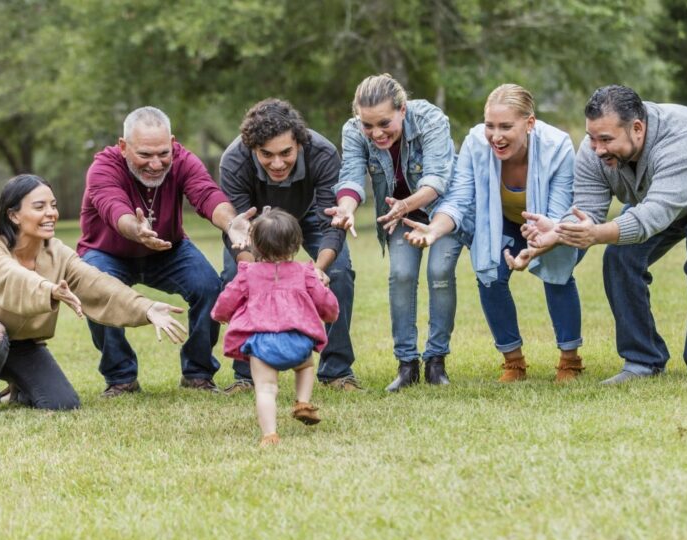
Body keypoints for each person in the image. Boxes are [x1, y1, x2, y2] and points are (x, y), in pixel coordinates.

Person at [524, 85, 687, 384]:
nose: (598, 148)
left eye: (606, 139)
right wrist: (558, 230)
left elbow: (655, 214)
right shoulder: (594, 151)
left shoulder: (682, 139)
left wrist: (597, 234)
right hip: (660, 196)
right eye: (592, 138)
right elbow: (588, 210)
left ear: (637, 128)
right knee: (619, 257)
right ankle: (642, 360)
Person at [0, 175, 187, 417]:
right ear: (13, 215)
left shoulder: (57, 252)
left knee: (63, 403)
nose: (51, 213)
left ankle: (19, 388)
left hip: (21, 347)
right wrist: (48, 289)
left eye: (53, 205)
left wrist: (145, 307)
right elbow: (13, 276)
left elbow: (96, 283)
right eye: (39, 207)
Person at [403, 84, 585, 382]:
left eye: (505, 126)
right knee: (489, 274)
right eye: (490, 125)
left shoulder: (558, 146)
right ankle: (513, 362)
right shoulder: (476, 143)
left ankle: (570, 359)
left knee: (558, 271)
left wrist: (539, 244)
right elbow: (460, 199)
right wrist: (435, 229)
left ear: (529, 123)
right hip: (502, 222)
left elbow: (558, 213)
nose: (495, 136)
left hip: (552, 223)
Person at [77, 106, 252, 397]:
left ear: (172, 142)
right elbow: (113, 207)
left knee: (208, 286)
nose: (156, 164)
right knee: (95, 287)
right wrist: (137, 230)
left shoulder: (183, 160)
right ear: (123, 146)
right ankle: (121, 378)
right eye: (144, 155)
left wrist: (231, 223)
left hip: (169, 251)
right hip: (108, 252)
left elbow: (206, 193)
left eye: (163, 153)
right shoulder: (103, 167)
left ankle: (198, 374)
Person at [218, 98, 359, 392]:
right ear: (252, 149)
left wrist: (319, 270)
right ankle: (246, 374)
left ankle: (336, 371)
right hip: (255, 223)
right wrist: (255, 272)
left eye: (286, 153)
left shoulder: (322, 153)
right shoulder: (234, 160)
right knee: (236, 277)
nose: (277, 163)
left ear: (299, 142)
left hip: (309, 215)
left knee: (340, 272)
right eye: (266, 155)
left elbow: (331, 223)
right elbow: (239, 229)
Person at [332, 73, 462, 391]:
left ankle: (436, 362)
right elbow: (350, 176)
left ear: (402, 110)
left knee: (440, 271)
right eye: (368, 125)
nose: (376, 133)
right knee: (401, 276)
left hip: (441, 209)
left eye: (384, 123)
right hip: (399, 213)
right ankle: (407, 366)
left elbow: (436, 179)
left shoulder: (430, 118)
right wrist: (346, 208)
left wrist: (404, 206)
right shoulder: (353, 131)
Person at [212, 209, 339, 446]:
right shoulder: (306, 272)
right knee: (306, 367)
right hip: (299, 342)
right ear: (296, 243)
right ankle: (302, 401)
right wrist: (330, 314)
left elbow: (228, 298)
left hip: (263, 345)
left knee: (266, 389)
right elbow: (325, 301)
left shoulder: (247, 273)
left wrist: (220, 315)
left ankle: (270, 435)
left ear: (255, 245)